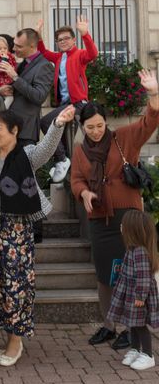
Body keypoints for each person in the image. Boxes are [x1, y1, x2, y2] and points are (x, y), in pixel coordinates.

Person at [0, 105, 76, 366]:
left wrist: (58, 124)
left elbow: (47, 149)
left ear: (14, 131)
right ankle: (8, 339)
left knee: (16, 286)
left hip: (16, 230)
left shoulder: (27, 155)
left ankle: (16, 342)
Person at [70, 69, 159, 350]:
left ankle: (133, 329)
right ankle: (109, 325)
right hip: (99, 217)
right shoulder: (80, 150)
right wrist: (83, 193)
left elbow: (150, 120)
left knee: (133, 274)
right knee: (104, 274)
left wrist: (153, 92)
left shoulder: (123, 138)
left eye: (99, 125)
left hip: (128, 216)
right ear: (82, 127)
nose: (96, 131)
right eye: (90, 127)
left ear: (105, 122)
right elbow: (75, 179)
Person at [36, 15, 99, 183]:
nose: (62, 42)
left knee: (46, 122)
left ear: (73, 40)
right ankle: (65, 166)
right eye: (59, 40)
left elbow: (93, 54)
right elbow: (43, 52)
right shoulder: (58, 57)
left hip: (77, 104)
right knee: (61, 139)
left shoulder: (79, 55)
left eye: (66, 38)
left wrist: (85, 33)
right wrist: (39, 35)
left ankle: (62, 161)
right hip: (64, 104)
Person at [107, 210, 159, 370]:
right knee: (133, 324)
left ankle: (148, 355)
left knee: (140, 325)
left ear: (133, 230)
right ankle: (135, 350)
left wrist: (140, 297)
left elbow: (144, 277)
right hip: (130, 293)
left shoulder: (140, 253)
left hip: (137, 295)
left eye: (124, 225)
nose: (121, 227)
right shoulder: (132, 249)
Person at [0, 28, 54, 145]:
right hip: (11, 126)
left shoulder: (45, 66)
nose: (13, 49)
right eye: (14, 44)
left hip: (26, 130)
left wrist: (15, 77)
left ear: (32, 46)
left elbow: (39, 96)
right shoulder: (24, 63)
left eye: (19, 46)